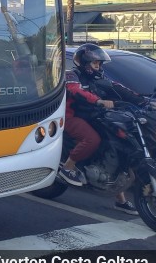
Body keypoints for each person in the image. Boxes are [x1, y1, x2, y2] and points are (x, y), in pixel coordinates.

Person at [60, 43, 142, 215]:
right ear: (84, 63)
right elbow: (75, 91)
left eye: (99, 64)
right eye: (95, 63)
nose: (98, 67)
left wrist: (143, 102)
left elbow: (119, 89)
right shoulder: (72, 75)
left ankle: (120, 200)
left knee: (113, 146)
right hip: (72, 117)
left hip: (93, 116)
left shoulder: (100, 78)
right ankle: (68, 167)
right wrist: (98, 101)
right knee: (92, 139)